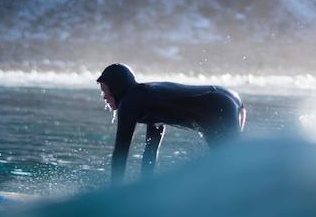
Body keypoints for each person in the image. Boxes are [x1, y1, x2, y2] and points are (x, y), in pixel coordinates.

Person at [96, 63, 246, 183]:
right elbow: (150, 150)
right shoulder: (145, 98)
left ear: (116, 87)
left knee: (231, 163)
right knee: (230, 162)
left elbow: (121, 152)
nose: (104, 97)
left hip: (216, 106)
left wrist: (114, 190)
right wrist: (145, 184)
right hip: (224, 98)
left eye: (105, 90)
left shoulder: (130, 102)